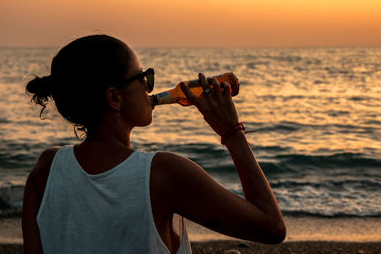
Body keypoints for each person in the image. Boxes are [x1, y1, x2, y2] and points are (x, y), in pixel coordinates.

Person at [22, 34, 285, 254]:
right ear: (114, 98)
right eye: (143, 77)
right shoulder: (162, 172)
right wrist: (231, 132)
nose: (149, 88)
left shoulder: (46, 168)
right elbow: (271, 228)